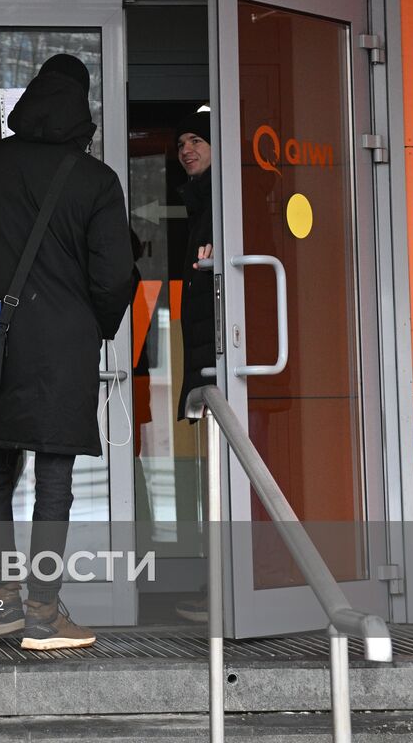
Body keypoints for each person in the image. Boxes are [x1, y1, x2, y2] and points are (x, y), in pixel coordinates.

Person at [0, 53, 134, 651]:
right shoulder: (96, 181)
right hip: (65, 348)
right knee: (54, 478)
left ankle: (2, 604)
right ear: (81, 108)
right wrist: (92, 324)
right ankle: (44, 613)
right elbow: (114, 275)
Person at [173, 110, 214, 624]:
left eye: (197, 139)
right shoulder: (203, 201)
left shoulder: (227, 200)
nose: (186, 149)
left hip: (226, 368)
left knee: (226, 485)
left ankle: (230, 593)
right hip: (213, 364)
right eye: (180, 142)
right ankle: (223, 589)